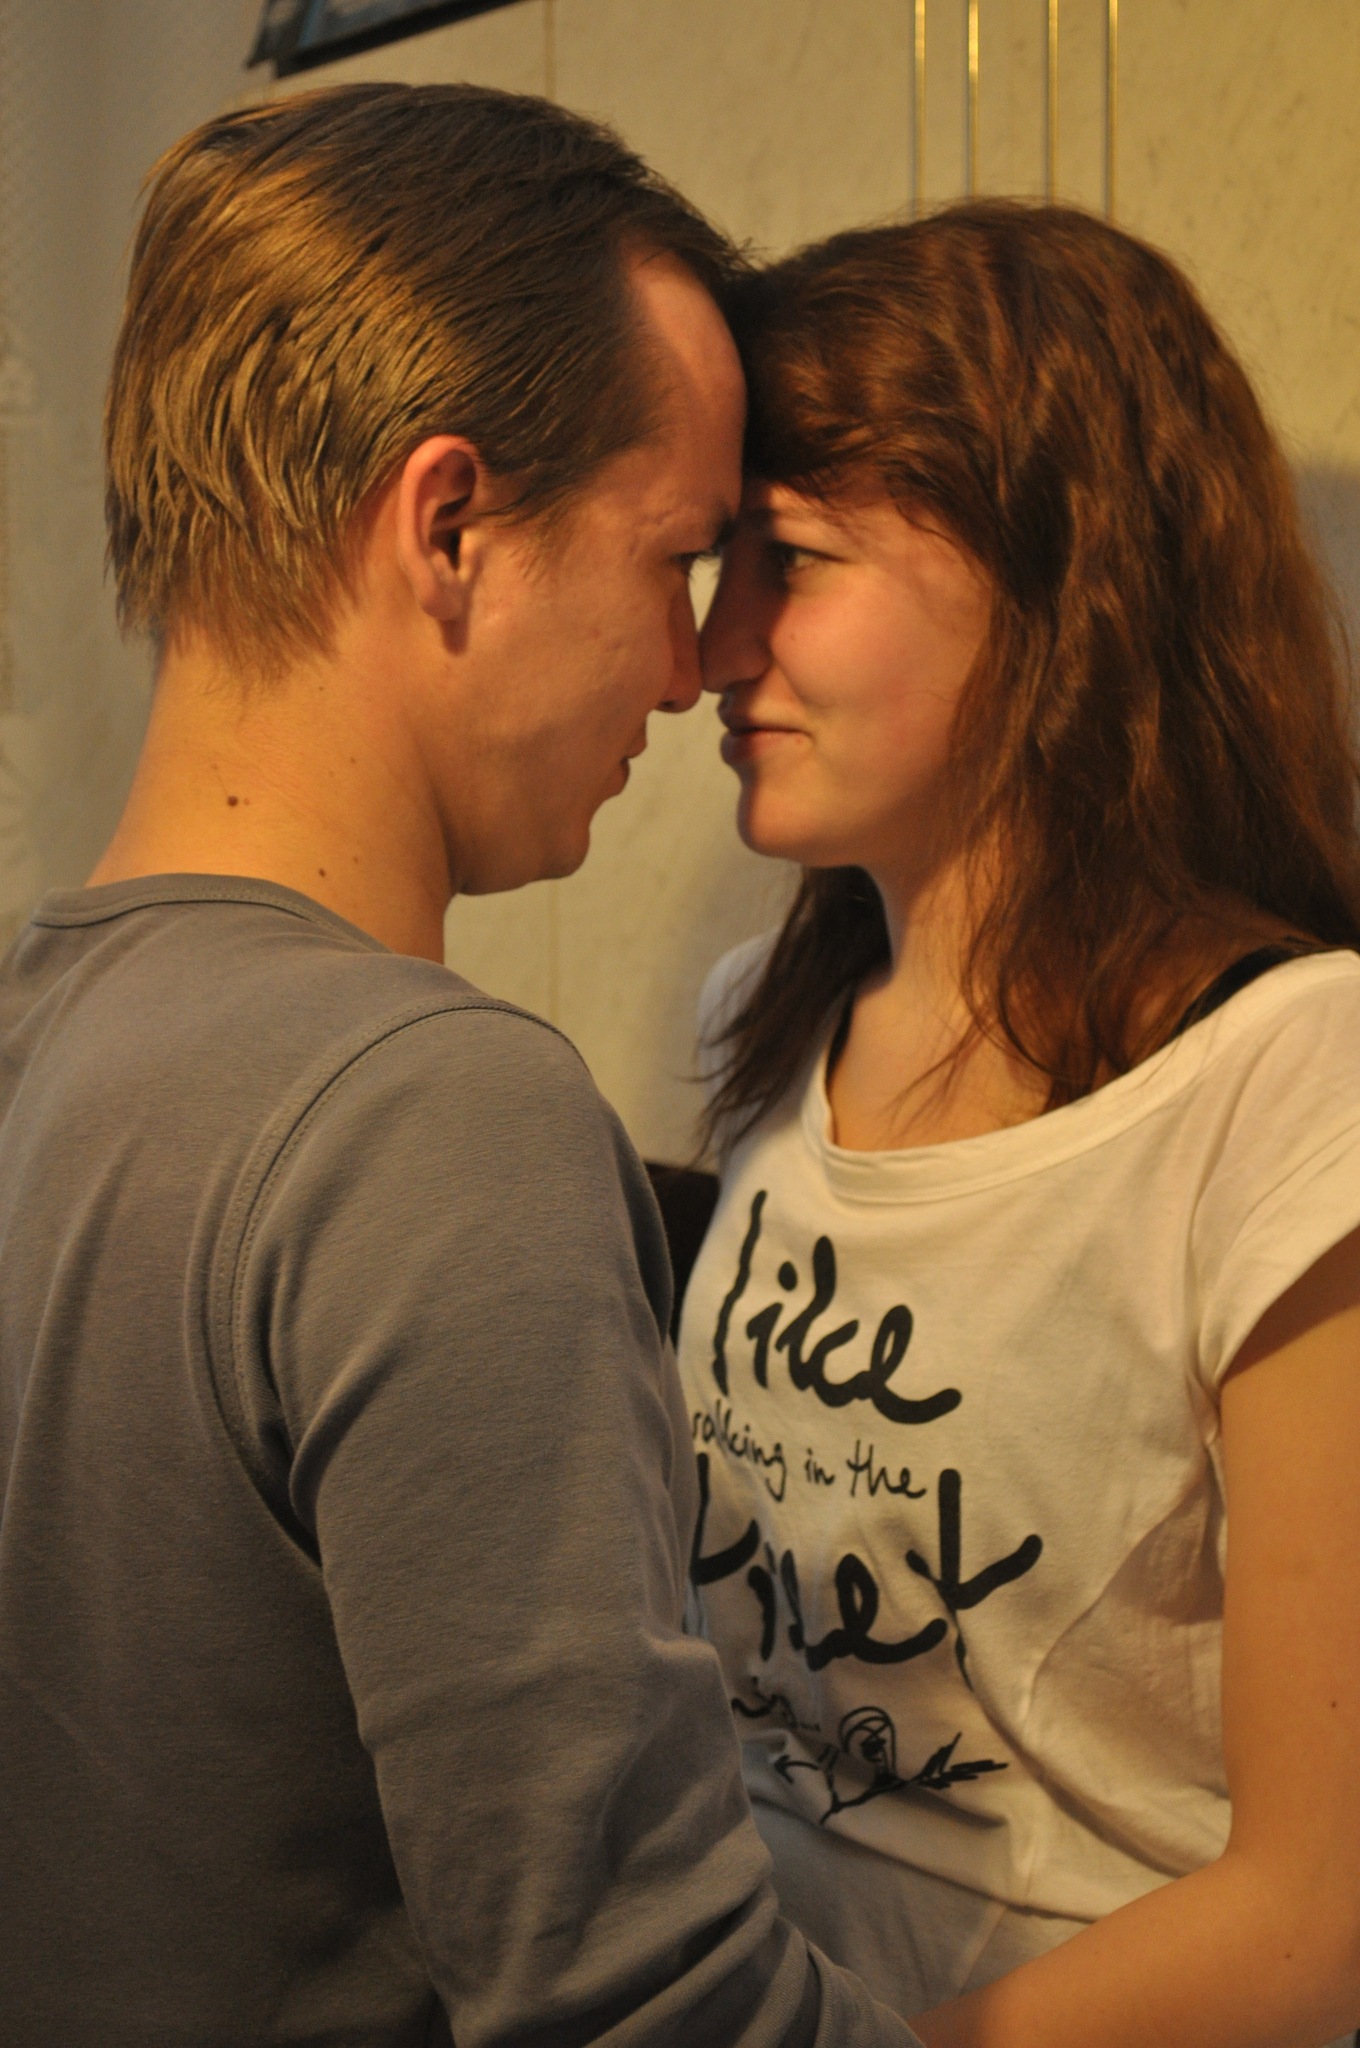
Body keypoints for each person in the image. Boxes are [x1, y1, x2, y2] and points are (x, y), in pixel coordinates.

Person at [0, 83, 924, 2048]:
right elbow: (650, 2004)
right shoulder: (430, 1114)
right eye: (676, 558)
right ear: (447, 528)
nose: (691, 666)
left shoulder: (38, 1030)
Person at [680, 199, 1360, 2048]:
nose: (713, 649)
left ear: (1066, 581)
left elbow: (1317, 1916)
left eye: (788, 559)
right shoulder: (763, 1026)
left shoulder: (1289, 1084)